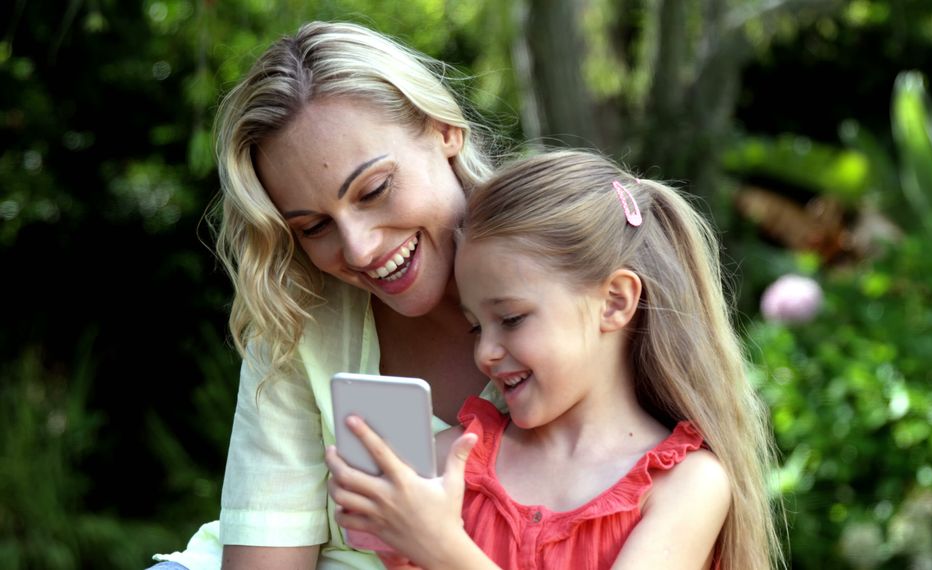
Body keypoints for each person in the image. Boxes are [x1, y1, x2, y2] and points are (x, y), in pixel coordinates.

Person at [150, 20, 504, 570]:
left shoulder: (582, 279)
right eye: (314, 227)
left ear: (443, 130)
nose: (358, 251)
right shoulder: (298, 312)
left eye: (374, 190)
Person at [326, 150, 784, 569]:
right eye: (475, 326)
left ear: (615, 302)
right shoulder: (449, 465)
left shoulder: (688, 487)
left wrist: (441, 546)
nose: (484, 353)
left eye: (511, 318)